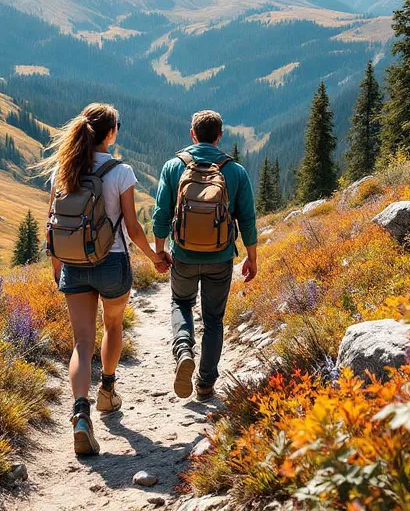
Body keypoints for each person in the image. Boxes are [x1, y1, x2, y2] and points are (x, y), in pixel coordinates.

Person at [38, 103, 170, 456]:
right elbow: (132, 226)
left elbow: (52, 223)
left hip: (73, 264)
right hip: (111, 264)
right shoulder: (120, 171)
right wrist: (155, 257)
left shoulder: (62, 170)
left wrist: (57, 266)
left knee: (82, 342)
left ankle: (80, 415)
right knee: (113, 326)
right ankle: (107, 393)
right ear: (110, 133)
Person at [152, 110, 258, 401]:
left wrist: (160, 252)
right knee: (213, 319)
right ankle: (205, 383)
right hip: (220, 258)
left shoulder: (174, 167)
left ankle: (184, 348)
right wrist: (252, 256)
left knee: (180, 302)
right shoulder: (234, 171)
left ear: (192, 134)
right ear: (220, 135)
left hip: (183, 256)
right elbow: (247, 218)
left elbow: (161, 215)